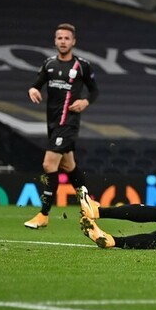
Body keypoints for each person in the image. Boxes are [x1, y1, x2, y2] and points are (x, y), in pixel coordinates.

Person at [24, 23, 99, 229]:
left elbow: (94, 91)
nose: (63, 41)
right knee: (69, 166)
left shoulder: (82, 66)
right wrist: (33, 90)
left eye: (67, 38)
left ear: (73, 42)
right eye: (60, 38)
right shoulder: (48, 64)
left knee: (49, 165)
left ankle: (43, 214)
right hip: (53, 122)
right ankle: (89, 204)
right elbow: (36, 84)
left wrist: (85, 101)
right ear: (55, 41)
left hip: (68, 122)